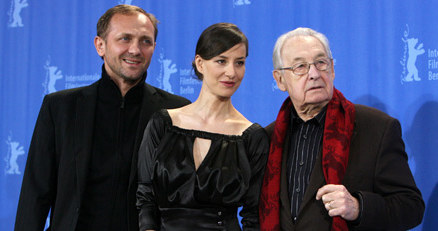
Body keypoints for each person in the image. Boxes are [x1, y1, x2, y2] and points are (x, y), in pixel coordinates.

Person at [15, 4, 190, 231]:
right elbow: (35, 193)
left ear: (154, 47)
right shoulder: (60, 107)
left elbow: (185, 198)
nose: (135, 50)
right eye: (125, 39)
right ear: (100, 45)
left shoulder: (176, 111)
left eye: (145, 41)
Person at [259, 27, 425, 230]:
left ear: (333, 69)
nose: (314, 74)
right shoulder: (266, 139)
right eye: (300, 66)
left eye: (321, 63)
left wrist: (358, 207)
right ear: (280, 80)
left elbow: (411, 207)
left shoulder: (377, 128)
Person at [136, 23, 269, 231]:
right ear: (200, 63)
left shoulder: (251, 136)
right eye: (221, 61)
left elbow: (254, 216)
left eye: (239, 62)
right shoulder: (163, 124)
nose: (231, 72)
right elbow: (146, 197)